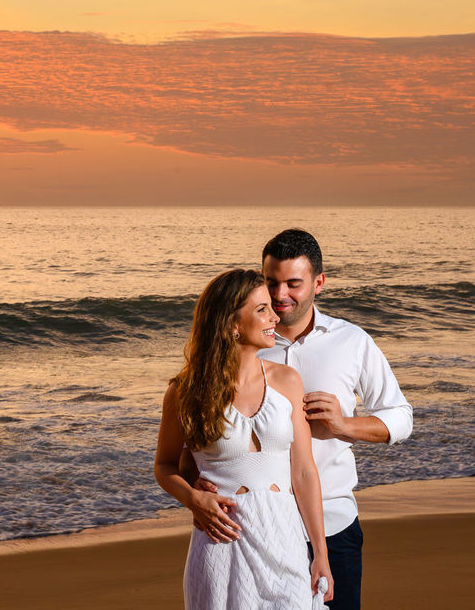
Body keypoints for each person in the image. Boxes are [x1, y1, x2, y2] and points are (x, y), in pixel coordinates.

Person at [195, 230, 413, 609]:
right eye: (271, 283)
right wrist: (199, 481)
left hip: (331, 524)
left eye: (293, 284)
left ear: (319, 283)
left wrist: (346, 424)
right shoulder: (243, 344)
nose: (280, 296)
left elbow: (400, 417)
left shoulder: (352, 342)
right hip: (252, 528)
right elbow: (197, 438)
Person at [155, 268, 334, 609]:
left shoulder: (287, 381)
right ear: (232, 324)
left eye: (271, 307)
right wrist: (193, 498)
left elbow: (304, 473)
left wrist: (319, 553)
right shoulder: (185, 391)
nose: (274, 318)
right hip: (222, 540)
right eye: (261, 310)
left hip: (285, 540)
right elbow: (164, 466)